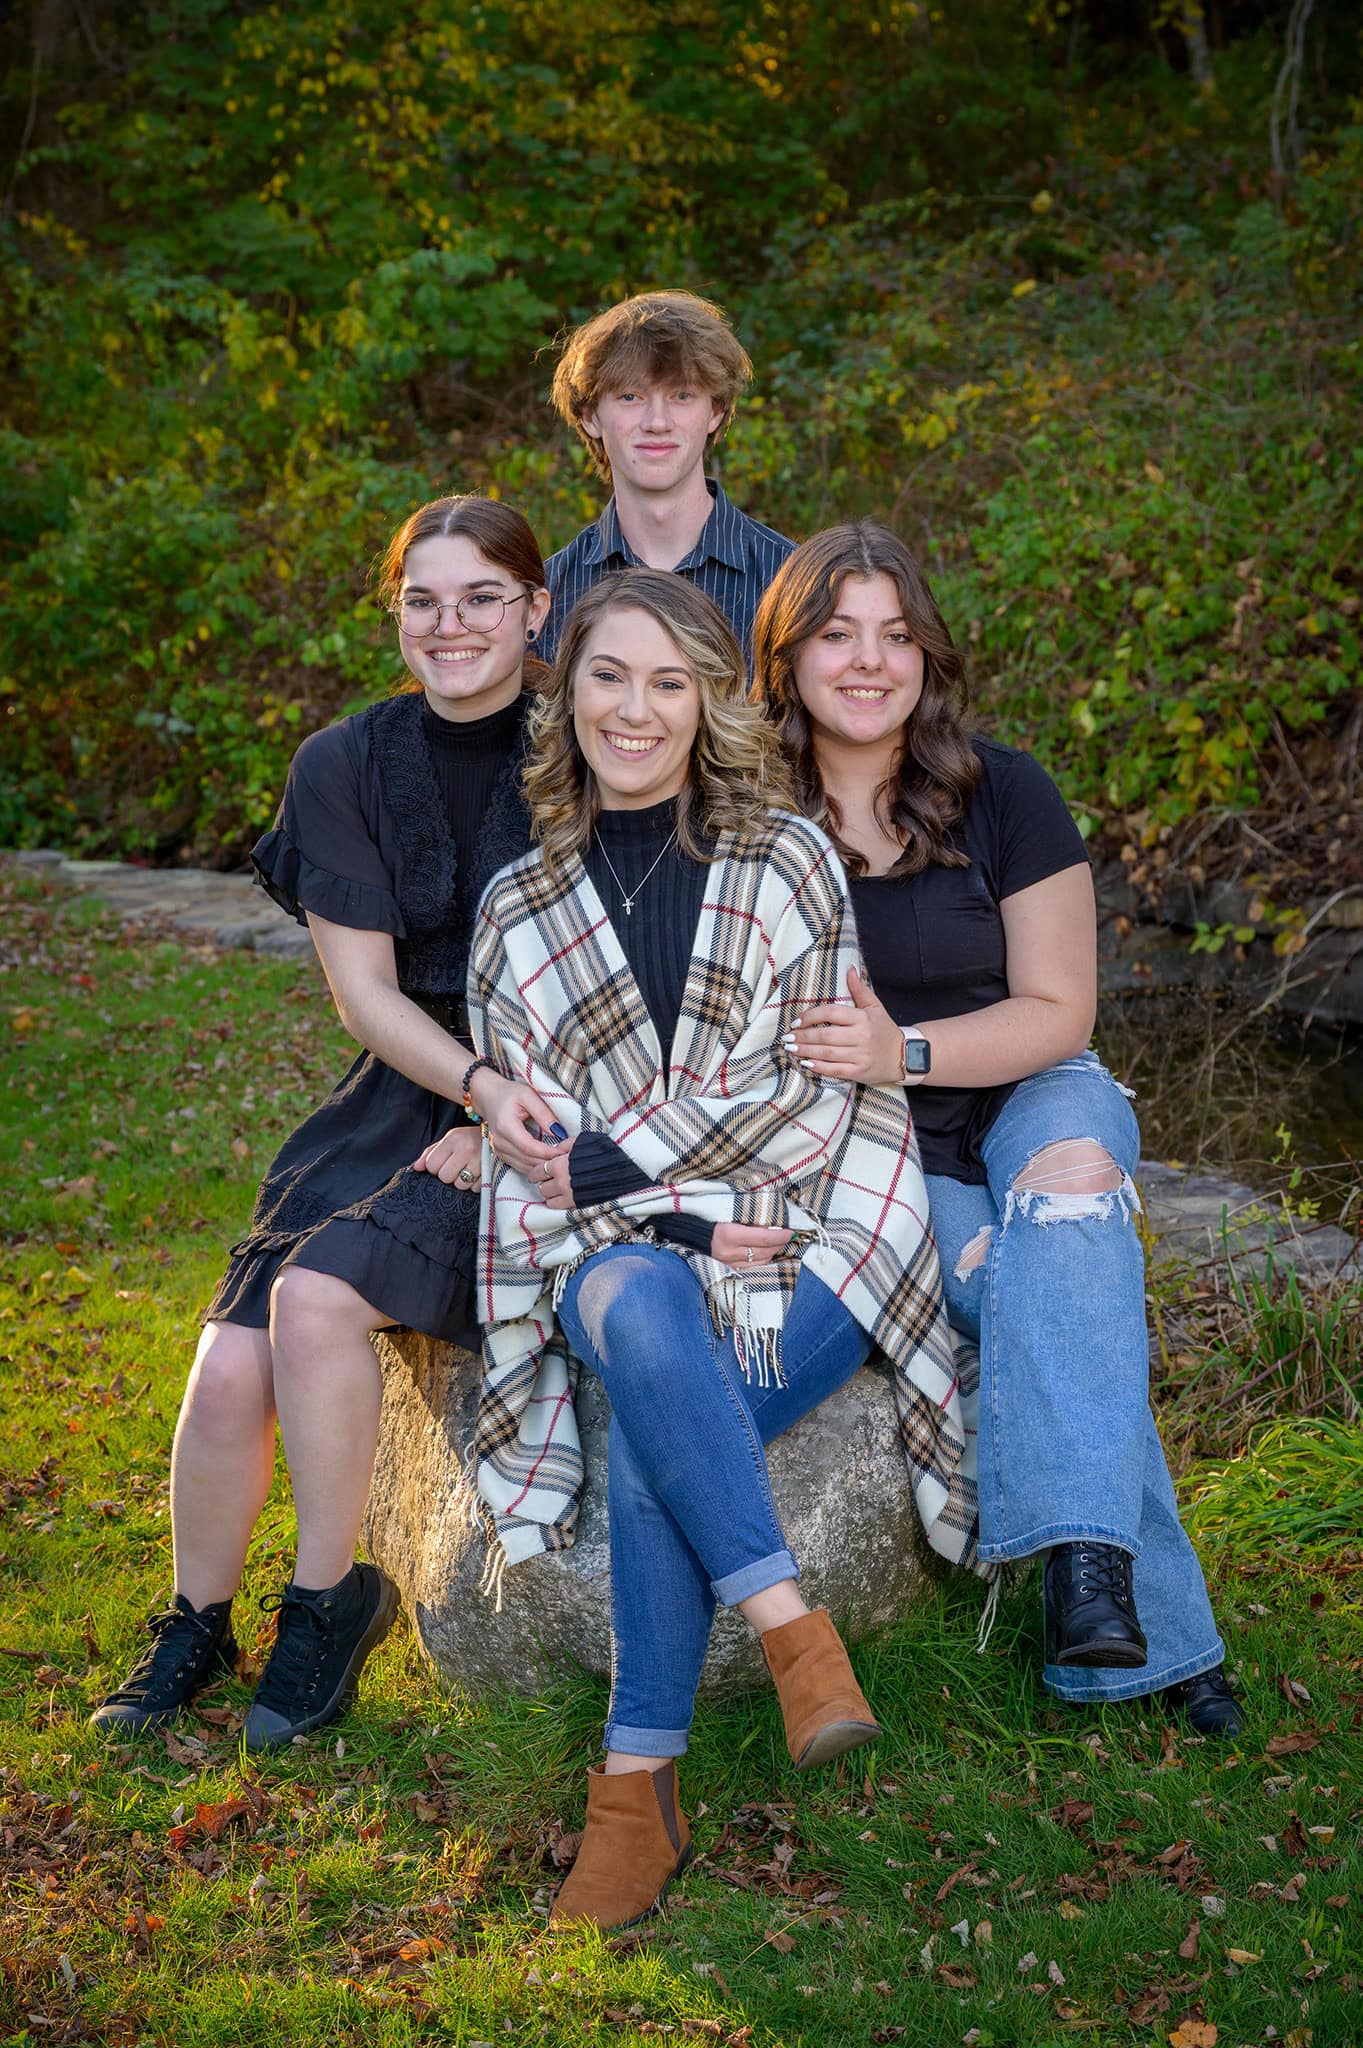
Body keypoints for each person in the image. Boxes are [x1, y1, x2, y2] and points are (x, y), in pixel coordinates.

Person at [418, 568, 979, 1932]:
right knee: (630, 1298)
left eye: (669, 682)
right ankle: (790, 1632)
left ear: (706, 703)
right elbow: (544, 1156)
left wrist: (621, 1163)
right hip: (640, 1260)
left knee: (655, 1408)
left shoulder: (782, 858)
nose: (636, 708)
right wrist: (663, 1204)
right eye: (609, 675)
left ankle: (637, 1789)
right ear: (571, 696)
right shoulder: (517, 910)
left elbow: (805, 1094)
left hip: (821, 1231)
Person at [91, 495, 573, 1752]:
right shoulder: (344, 762)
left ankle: (326, 1601)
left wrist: (506, 1106)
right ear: (395, 613)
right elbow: (363, 994)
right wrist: (470, 1083)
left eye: (481, 597)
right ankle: (195, 1620)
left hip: (562, 1085)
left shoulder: (598, 732)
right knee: (229, 1359)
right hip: (408, 1081)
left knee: (321, 1300)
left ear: (537, 607)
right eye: (423, 599)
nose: (450, 623)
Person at [752, 522, 1242, 1738]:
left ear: (928, 653)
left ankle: (1079, 1564)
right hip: (877, 1144)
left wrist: (903, 1048)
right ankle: (1136, 1635)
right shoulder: (747, 814)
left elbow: (1058, 1006)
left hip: (1033, 1086)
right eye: (836, 633)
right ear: (788, 654)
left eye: (895, 634)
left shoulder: (1004, 789)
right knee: (1030, 1279)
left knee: (1072, 1193)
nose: (868, 661)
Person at [540, 288, 793, 661]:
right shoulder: (546, 597)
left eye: (682, 395)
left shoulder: (792, 582)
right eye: (630, 397)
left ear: (716, 412)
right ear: (590, 416)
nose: (657, 422)